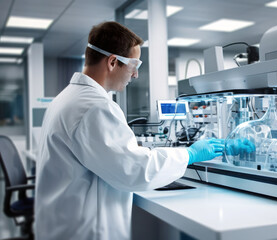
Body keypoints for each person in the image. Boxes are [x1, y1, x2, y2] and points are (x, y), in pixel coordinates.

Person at [35, 21, 227, 240]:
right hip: (83, 231)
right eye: (134, 66)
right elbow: (134, 170)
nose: (135, 75)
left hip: (61, 224)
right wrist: (190, 154)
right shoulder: (94, 107)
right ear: (113, 62)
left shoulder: (67, 98)